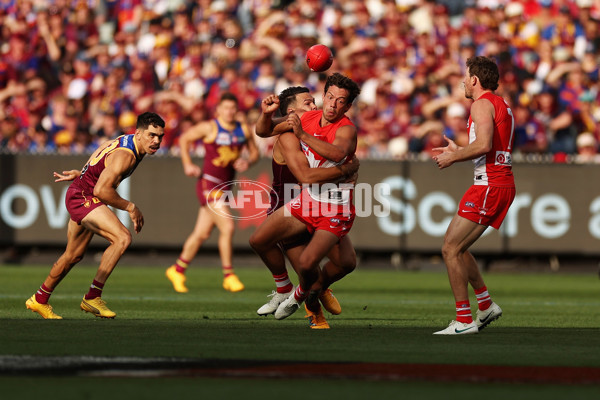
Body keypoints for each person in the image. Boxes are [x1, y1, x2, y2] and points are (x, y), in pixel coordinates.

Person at [26, 112, 166, 319]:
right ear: (138, 133)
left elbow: (102, 151)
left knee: (73, 255)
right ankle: (92, 297)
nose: (156, 141)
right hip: (85, 197)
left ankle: (39, 299)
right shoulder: (126, 155)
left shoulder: (126, 140)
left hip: (80, 192)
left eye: (160, 137)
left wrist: (82, 173)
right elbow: (102, 190)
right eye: (152, 135)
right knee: (122, 238)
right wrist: (130, 207)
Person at [249, 73, 361, 324]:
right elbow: (263, 131)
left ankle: (303, 294)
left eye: (340, 101)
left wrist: (304, 135)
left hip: (334, 206)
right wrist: (266, 114)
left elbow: (339, 152)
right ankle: (295, 290)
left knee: (321, 264)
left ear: (347, 106)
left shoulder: (345, 128)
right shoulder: (304, 120)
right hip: (306, 200)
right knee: (258, 240)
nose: (331, 104)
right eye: (329, 97)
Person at [431, 56, 515, 335]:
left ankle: (464, 320)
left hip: (489, 185)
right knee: (458, 247)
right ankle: (485, 304)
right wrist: (459, 150)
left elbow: (484, 144)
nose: (463, 82)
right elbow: (490, 145)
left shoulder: (481, 103)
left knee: (450, 249)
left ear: (475, 80)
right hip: (496, 183)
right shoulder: (500, 104)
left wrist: (454, 156)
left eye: (466, 77)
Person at [166, 92, 259, 293]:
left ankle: (177, 269)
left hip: (225, 187)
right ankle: (229, 275)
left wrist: (248, 161)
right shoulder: (210, 127)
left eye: (233, 108)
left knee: (201, 233)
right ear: (218, 110)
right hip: (209, 184)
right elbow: (184, 139)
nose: (229, 112)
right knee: (228, 226)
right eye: (225, 108)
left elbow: (255, 152)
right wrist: (187, 164)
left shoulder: (243, 130)